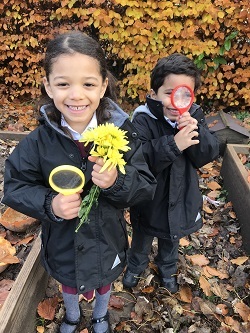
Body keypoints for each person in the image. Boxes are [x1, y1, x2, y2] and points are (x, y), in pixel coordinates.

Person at [2, 31, 156, 333]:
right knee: (69, 283)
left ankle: (100, 316)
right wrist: (50, 203)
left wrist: (116, 181)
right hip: (63, 240)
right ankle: (72, 316)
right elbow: (15, 186)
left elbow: (146, 184)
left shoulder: (123, 135)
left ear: (102, 87)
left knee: (104, 281)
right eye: (63, 84)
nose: (75, 95)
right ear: (48, 86)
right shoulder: (38, 143)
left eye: (87, 84)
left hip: (107, 237)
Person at [122, 53, 220, 293]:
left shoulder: (194, 115)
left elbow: (206, 155)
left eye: (185, 94)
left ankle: (167, 270)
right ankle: (135, 267)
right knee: (142, 239)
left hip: (181, 197)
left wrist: (195, 133)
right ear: (155, 93)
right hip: (149, 200)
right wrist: (174, 144)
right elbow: (139, 157)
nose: (177, 101)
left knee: (171, 240)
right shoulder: (143, 118)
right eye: (169, 94)